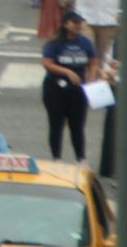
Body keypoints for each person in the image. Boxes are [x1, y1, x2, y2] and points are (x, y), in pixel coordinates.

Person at [40, 10, 97, 162]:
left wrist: (91, 79)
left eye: (79, 22)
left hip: (78, 90)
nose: (78, 25)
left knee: (77, 125)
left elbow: (92, 62)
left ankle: (81, 158)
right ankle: (56, 158)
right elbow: (47, 64)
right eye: (74, 22)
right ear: (65, 24)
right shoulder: (54, 43)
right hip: (55, 88)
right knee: (56, 124)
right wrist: (66, 72)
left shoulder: (85, 42)